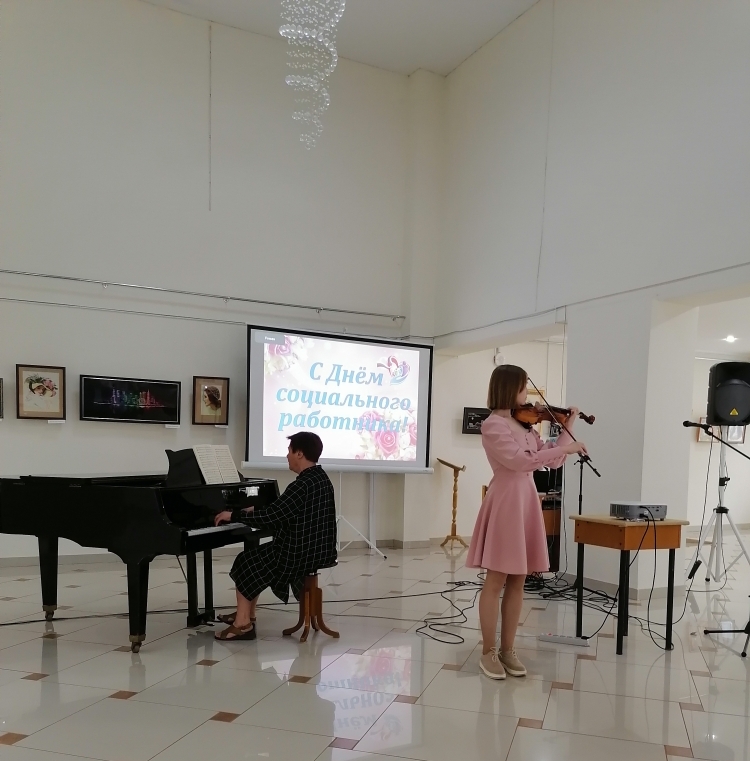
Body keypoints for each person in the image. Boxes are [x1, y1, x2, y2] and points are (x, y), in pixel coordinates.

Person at [466, 365, 587, 680]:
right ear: (510, 388)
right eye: (523, 388)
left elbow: (553, 458)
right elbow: (520, 462)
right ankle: (488, 652)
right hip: (506, 500)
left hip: (526, 499)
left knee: (519, 578)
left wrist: (567, 428)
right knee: (496, 579)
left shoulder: (525, 425)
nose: (527, 395)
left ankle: (508, 650)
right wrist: (567, 447)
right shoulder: (494, 425)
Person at [212, 431, 337, 641]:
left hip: (297, 554)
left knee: (246, 560)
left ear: (299, 453)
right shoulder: (320, 478)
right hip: (319, 550)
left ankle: (242, 624)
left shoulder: (301, 485)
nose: (287, 455)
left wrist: (234, 515)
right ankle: (247, 613)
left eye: (289, 451)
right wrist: (256, 509)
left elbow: (272, 517)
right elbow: (284, 509)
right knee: (255, 560)